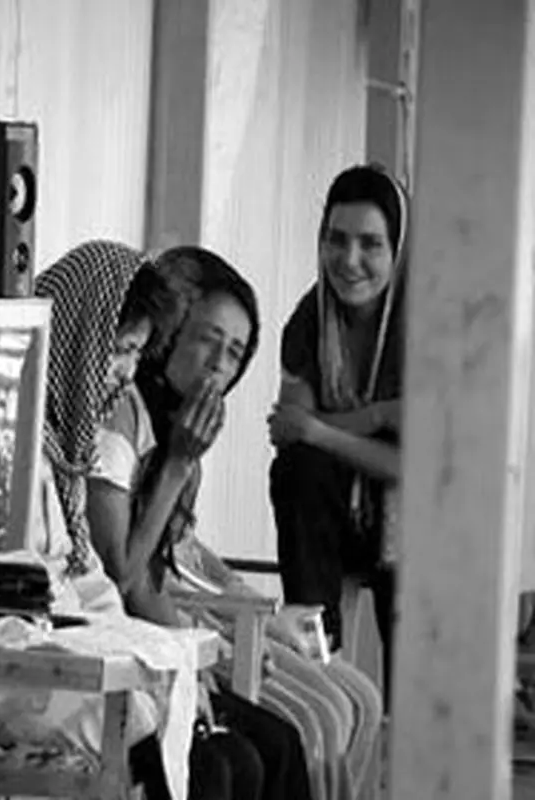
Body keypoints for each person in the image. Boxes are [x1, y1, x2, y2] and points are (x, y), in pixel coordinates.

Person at [0, 239, 267, 800]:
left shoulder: (61, 453)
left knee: (236, 753)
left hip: (66, 653)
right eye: (121, 349)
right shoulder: (8, 445)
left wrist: (167, 661)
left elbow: (90, 584)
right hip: (6, 665)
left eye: (136, 353)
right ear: (76, 338)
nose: (127, 373)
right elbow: (72, 588)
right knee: (194, 753)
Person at [89, 246, 382, 800]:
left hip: (179, 626)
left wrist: (260, 612)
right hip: (145, 635)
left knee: (356, 700)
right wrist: (210, 645)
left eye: (235, 353)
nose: (218, 365)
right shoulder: (125, 417)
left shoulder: (177, 429)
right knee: (311, 722)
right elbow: (129, 576)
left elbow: (182, 550)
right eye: (207, 340)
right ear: (169, 336)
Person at [267, 165, 407, 702]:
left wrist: (325, 429)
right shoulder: (310, 319)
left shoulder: (428, 326)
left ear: (399, 248)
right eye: (336, 239)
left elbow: (420, 466)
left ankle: (412, 716)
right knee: (298, 471)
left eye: (370, 244)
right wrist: (383, 417)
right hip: (334, 520)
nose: (349, 260)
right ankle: (320, 663)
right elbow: (290, 435)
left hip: (413, 526)